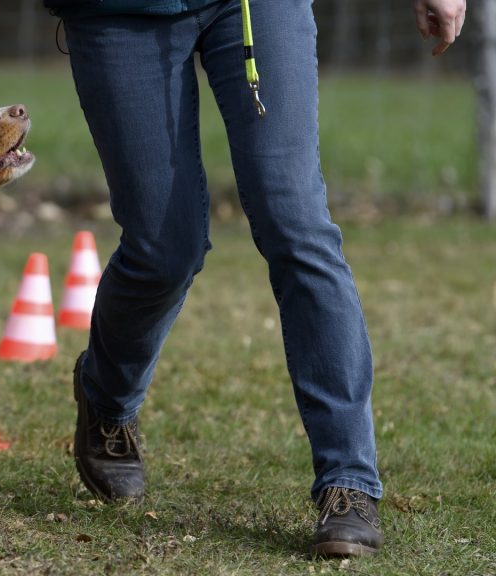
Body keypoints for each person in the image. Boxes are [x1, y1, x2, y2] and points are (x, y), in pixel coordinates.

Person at [45, 0, 466, 558]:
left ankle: (349, 482)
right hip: (121, 10)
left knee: (297, 225)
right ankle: (107, 397)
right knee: (163, 250)